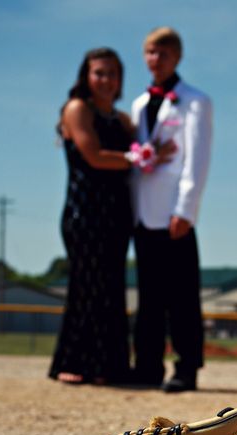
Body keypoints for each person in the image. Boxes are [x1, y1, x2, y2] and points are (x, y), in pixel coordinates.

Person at [49, 48, 174, 385]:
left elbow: (148, 138)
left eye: (113, 74)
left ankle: (109, 365)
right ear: (86, 77)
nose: (106, 80)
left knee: (112, 288)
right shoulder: (77, 110)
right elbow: (95, 156)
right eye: (99, 73)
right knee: (86, 285)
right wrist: (146, 158)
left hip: (117, 213)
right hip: (85, 212)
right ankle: (74, 361)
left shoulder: (121, 120)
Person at [131, 27, 213, 392]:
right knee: (148, 298)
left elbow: (196, 160)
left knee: (181, 297)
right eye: (150, 52)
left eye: (162, 53)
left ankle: (186, 368)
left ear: (177, 57)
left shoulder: (195, 101)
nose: (155, 59)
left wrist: (186, 209)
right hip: (143, 213)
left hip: (174, 216)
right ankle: (147, 366)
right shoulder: (137, 104)